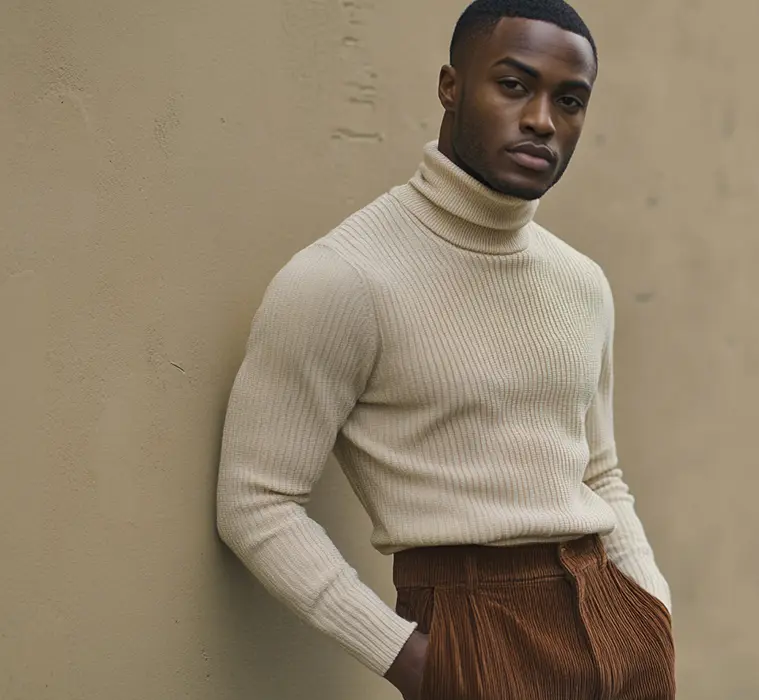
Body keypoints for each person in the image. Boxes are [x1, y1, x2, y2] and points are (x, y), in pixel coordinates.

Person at [216, 0, 674, 697]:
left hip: (612, 615)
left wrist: (651, 611)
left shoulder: (581, 282)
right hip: (472, 623)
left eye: (570, 99)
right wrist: (413, 660)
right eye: (514, 85)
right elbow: (255, 502)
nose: (542, 121)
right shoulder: (343, 280)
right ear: (450, 86)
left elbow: (601, 473)